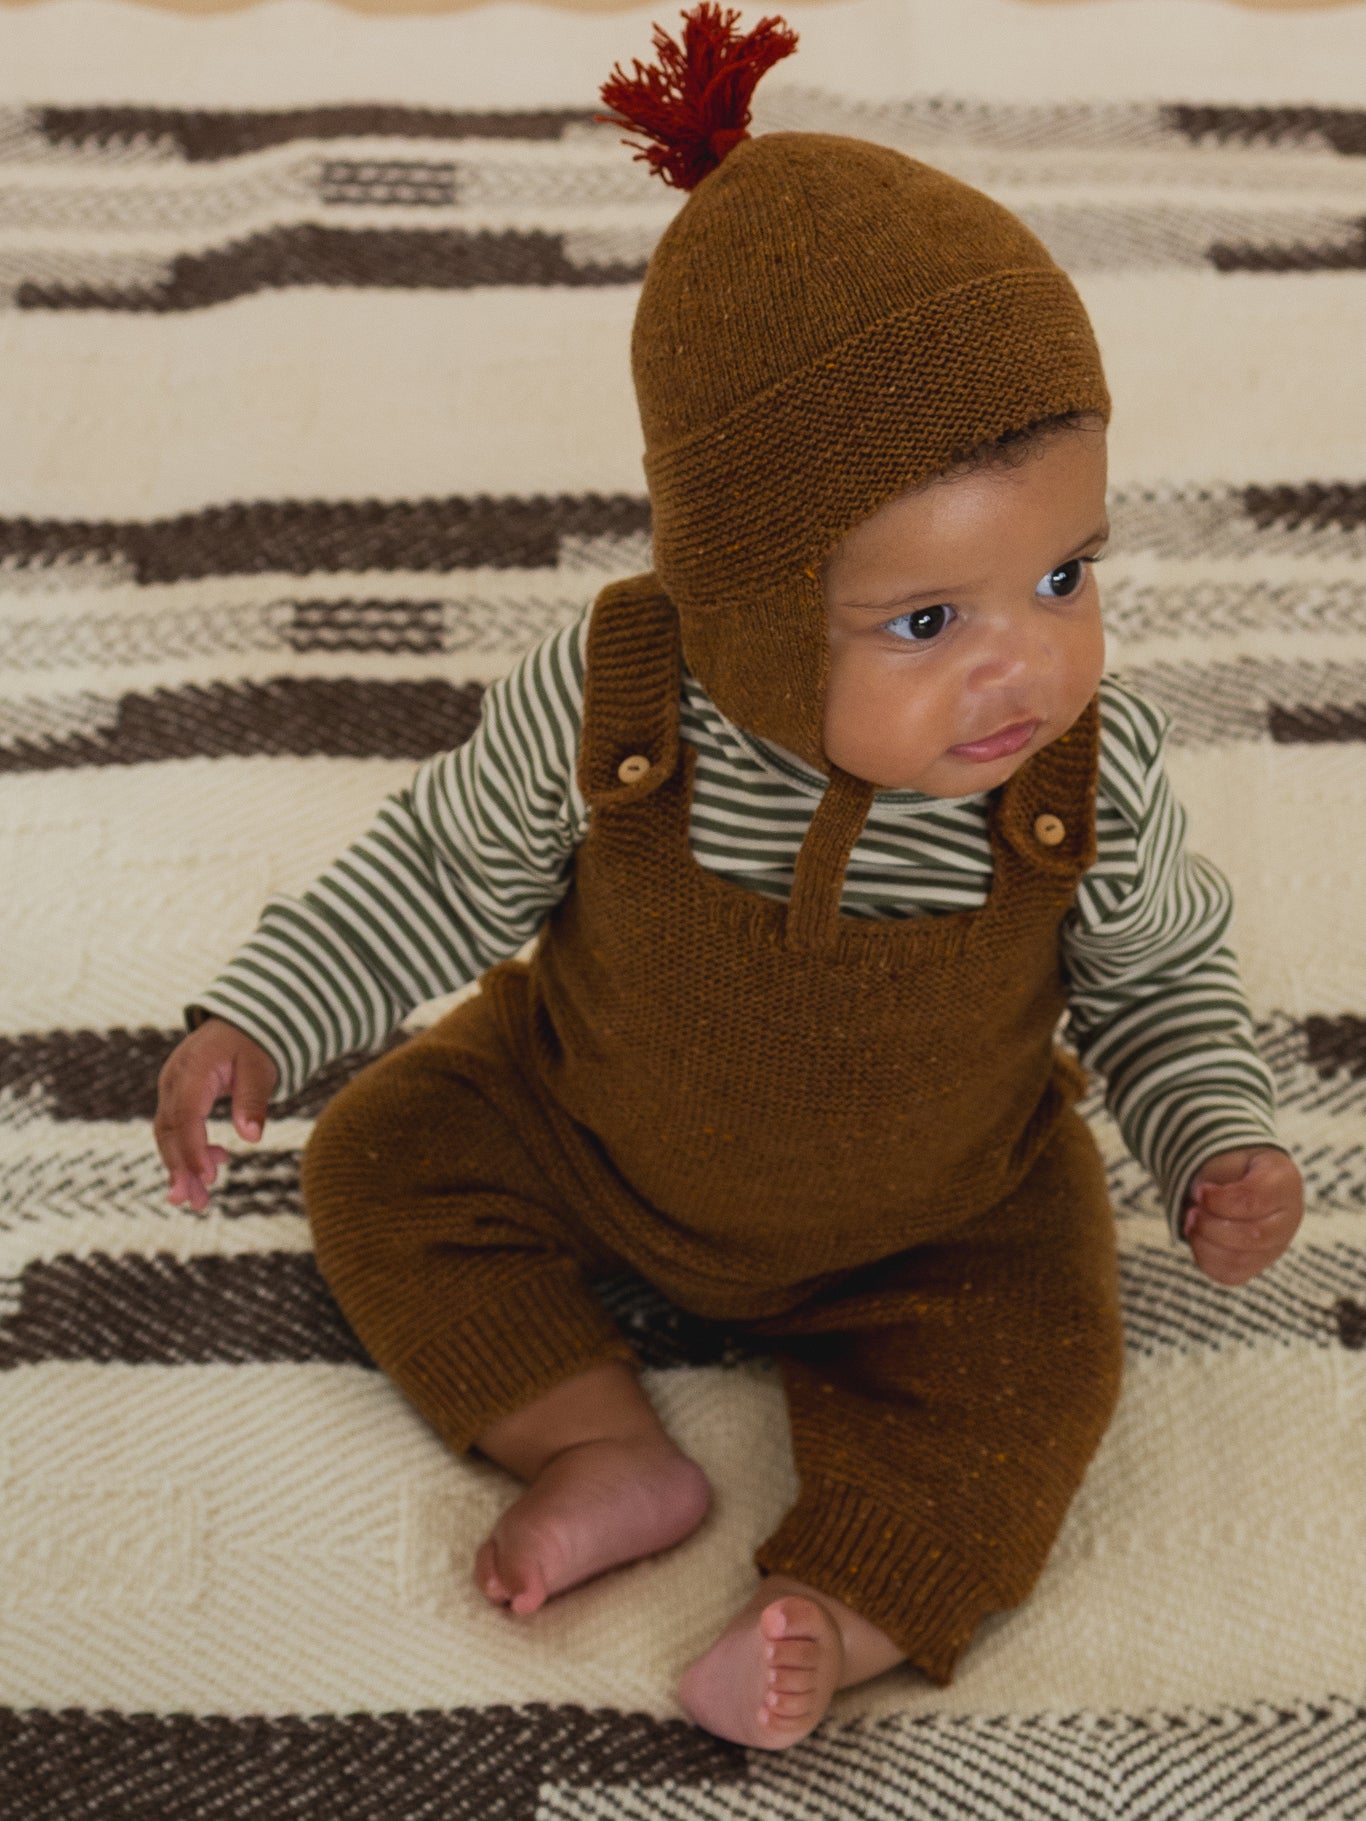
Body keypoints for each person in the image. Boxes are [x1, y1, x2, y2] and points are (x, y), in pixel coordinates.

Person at [153, 4, 1303, 1751]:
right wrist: (267, 1013)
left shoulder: (1084, 772)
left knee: (1035, 1371)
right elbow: (438, 867)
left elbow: (1158, 981)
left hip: (945, 1215)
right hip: (587, 1132)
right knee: (386, 1154)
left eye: (1064, 575)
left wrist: (1212, 1131)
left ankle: (827, 1613)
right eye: (928, 620)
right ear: (750, 605)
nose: (1021, 668)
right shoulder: (619, 704)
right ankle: (596, 1442)